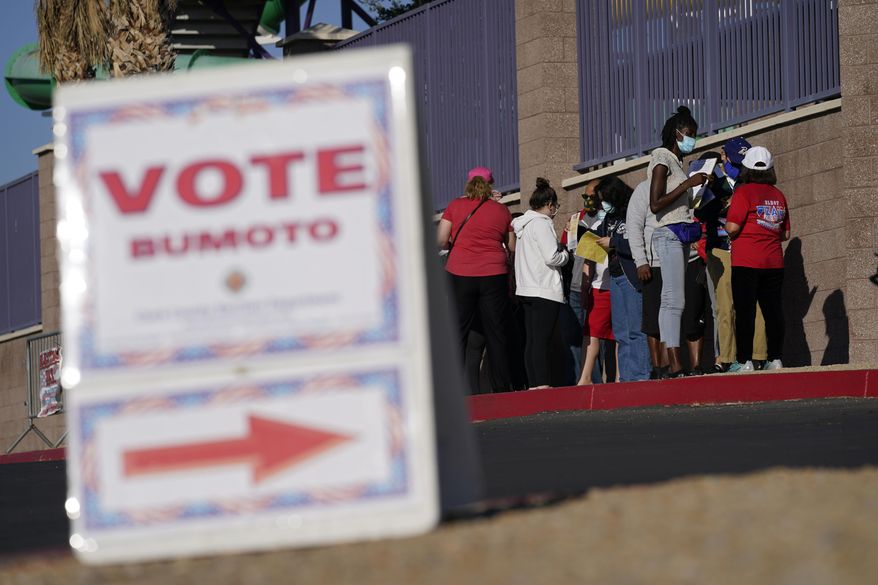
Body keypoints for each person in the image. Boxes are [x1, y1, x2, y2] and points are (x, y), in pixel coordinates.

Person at [437, 167, 514, 393]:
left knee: (458, 330)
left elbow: (441, 240)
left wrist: (458, 245)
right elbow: (511, 246)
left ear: (468, 183)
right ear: (491, 185)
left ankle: (452, 388)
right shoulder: (501, 211)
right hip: (493, 274)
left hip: (460, 272)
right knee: (496, 332)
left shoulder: (454, 206)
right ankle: (502, 387)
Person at [647, 106, 710, 378]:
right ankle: (674, 364)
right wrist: (688, 185)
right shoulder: (662, 157)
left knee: (671, 301)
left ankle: (671, 363)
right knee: (674, 301)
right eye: (689, 134)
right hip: (669, 234)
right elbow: (655, 203)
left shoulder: (675, 161)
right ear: (676, 133)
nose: (692, 139)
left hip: (678, 233)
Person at [700, 138, 769, 372]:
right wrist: (717, 197)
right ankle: (728, 358)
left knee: (756, 304)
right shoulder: (710, 181)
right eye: (737, 162)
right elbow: (699, 211)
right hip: (721, 248)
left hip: (747, 249)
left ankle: (759, 356)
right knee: (724, 306)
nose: (740, 168)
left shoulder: (749, 181)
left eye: (744, 164)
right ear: (724, 157)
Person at [725, 146, 789, 372]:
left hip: (746, 261)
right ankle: (775, 358)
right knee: (773, 311)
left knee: (745, 312)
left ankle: (744, 361)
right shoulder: (778, 194)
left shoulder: (743, 192)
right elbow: (785, 234)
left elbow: (732, 228)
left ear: (746, 168)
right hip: (773, 261)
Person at [512, 177, 569, 389]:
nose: (556, 209)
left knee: (533, 340)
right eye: (556, 205)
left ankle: (534, 383)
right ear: (549, 204)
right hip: (544, 288)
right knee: (542, 340)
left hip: (526, 287)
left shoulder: (524, 225)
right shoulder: (542, 224)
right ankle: (543, 383)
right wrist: (566, 256)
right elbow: (551, 257)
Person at [596, 176, 652, 382]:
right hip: (615, 276)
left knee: (636, 329)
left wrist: (614, 242)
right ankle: (627, 376)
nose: (604, 204)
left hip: (631, 275)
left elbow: (637, 243)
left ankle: (640, 374)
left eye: (606, 199)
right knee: (621, 331)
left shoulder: (633, 211)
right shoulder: (609, 218)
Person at [626, 178, 668, 379]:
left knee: (671, 316)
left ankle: (670, 364)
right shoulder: (643, 189)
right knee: (653, 320)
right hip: (652, 263)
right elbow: (634, 226)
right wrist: (641, 261)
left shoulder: (680, 182)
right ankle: (658, 367)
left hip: (676, 261)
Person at [560, 180, 601, 384]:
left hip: (597, 286)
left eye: (592, 197)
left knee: (594, 337)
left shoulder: (605, 218)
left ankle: (597, 379)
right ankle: (580, 380)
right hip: (576, 286)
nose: (588, 201)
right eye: (585, 197)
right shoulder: (577, 219)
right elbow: (564, 250)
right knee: (576, 338)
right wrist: (568, 231)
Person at [576, 192, 617, 386]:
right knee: (592, 334)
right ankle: (585, 378)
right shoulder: (594, 227)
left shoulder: (620, 222)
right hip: (599, 286)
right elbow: (588, 261)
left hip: (616, 285)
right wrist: (585, 288)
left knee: (619, 336)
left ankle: (617, 377)